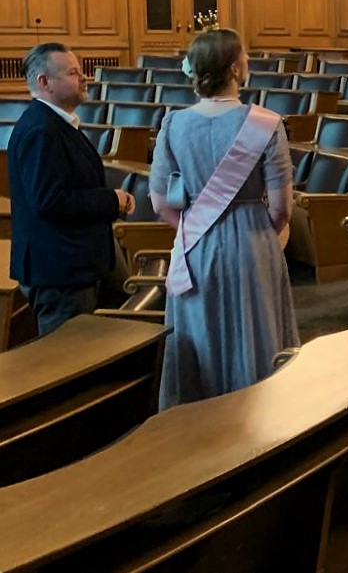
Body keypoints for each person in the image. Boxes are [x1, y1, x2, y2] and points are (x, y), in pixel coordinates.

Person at [150, 29, 298, 408]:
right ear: (234, 68)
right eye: (244, 56)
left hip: (195, 245)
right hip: (252, 241)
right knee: (256, 333)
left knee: (200, 336)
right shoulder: (266, 123)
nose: (247, 62)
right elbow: (281, 207)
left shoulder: (173, 124)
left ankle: (199, 421)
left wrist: (194, 231)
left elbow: (160, 203)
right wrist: (260, 232)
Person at [7, 43, 134, 336]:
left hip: (75, 265)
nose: (84, 78)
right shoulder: (42, 130)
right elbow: (50, 201)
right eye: (73, 73)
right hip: (61, 274)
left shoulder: (54, 124)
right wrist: (111, 200)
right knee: (67, 357)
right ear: (45, 82)